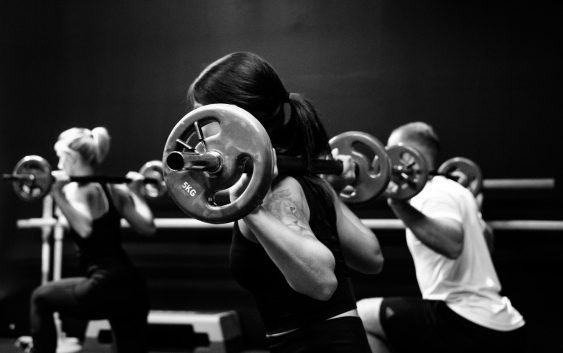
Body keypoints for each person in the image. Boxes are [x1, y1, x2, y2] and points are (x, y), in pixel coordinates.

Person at [186, 51, 384, 353]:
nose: (197, 135)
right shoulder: (313, 181)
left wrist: (247, 207)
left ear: (239, 117)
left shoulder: (275, 193)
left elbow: (322, 283)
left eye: (205, 117)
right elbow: (371, 257)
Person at [357, 121, 526, 353]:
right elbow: (488, 244)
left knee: (360, 317)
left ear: (405, 156)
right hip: (497, 320)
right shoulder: (457, 191)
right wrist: (476, 214)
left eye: (390, 149)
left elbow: (452, 244)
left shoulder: (432, 192)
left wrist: (398, 203)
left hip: (465, 317)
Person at [23, 127, 155, 353]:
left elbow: (84, 228)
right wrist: (136, 193)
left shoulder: (77, 190)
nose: (58, 163)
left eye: (60, 156)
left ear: (71, 157)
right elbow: (148, 227)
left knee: (40, 298)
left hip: (103, 285)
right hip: (132, 288)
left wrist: (57, 194)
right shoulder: (115, 188)